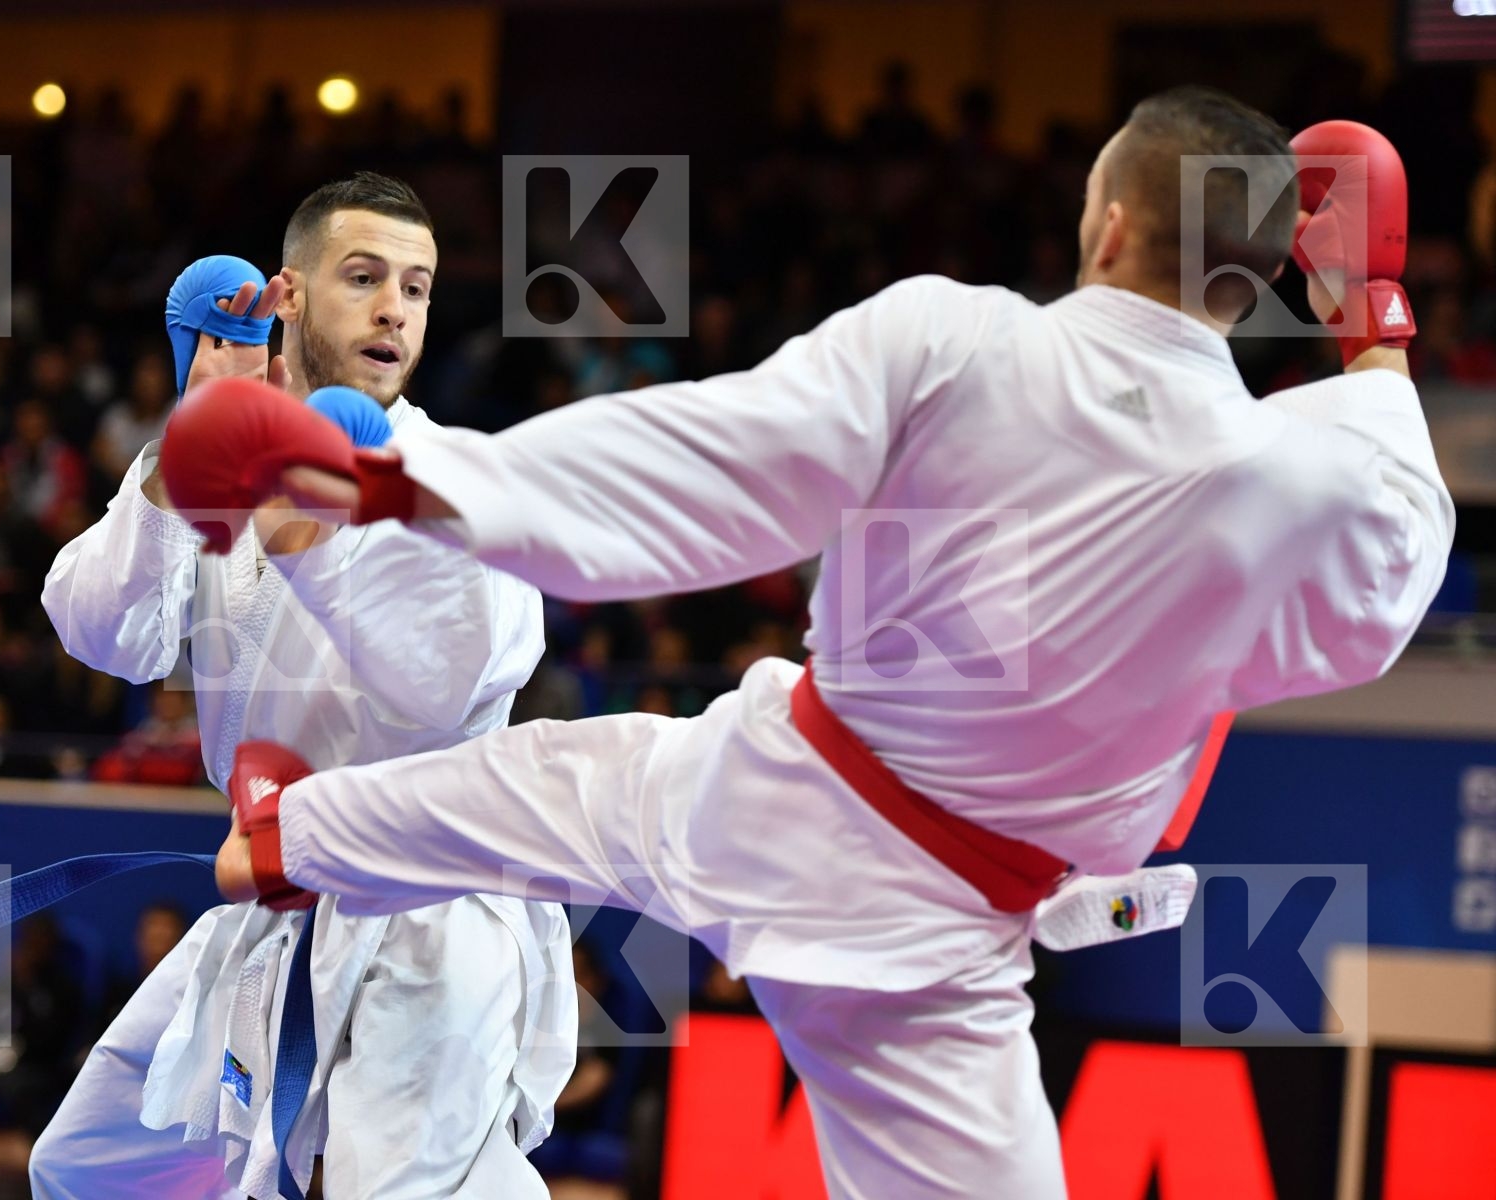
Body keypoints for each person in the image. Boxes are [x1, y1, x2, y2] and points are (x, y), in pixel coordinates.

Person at [195, 95, 1452, 1197]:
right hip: (935, 947)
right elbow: (1393, 543)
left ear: (1109, 226)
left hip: (769, 787)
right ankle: (296, 836)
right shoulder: (1306, 480)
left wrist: (403, 479)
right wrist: (1368, 317)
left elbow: (700, 466)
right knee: (556, 787)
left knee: (551, 784)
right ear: (1249, 282)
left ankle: (284, 839)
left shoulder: (961, 340)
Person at [34, 173, 575, 1199]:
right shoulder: (217, 464)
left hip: (430, 918)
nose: (394, 310)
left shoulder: (457, 475)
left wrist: (318, 535)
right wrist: (187, 442)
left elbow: (454, 675)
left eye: (416, 288)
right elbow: (102, 633)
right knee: (86, 1168)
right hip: (278, 908)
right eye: (363, 278)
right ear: (284, 297)